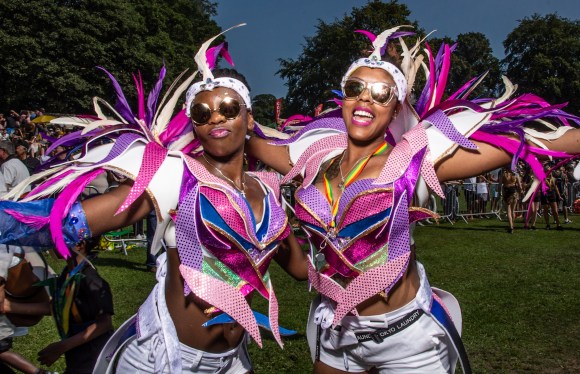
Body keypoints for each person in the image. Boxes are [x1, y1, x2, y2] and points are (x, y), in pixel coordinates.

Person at [246, 26, 580, 373]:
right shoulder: (312, 160)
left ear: (395, 110)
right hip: (338, 335)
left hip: (406, 340)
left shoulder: (414, 162)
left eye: (381, 93)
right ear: (342, 100)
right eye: (355, 88)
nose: (365, 98)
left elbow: (523, 140)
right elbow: (240, 140)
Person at [0, 29, 307, 374]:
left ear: (249, 118)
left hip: (233, 359)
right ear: (194, 125)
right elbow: (68, 220)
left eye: (229, 108)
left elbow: (298, 270)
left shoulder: (267, 189)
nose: (216, 118)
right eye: (202, 113)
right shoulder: (176, 176)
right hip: (167, 361)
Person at [37, 237, 114, 374]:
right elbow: (56, 307)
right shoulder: (68, 274)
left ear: (79, 245)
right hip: (77, 355)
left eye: (58, 238)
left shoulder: (90, 279)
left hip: (94, 356)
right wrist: (7, 306)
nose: (52, 243)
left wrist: (62, 346)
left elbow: (104, 323)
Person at [502, 168, 522, 233]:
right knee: (513, 210)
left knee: (508, 211)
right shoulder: (516, 174)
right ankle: (512, 225)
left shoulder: (503, 174)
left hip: (506, 191)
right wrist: (520, 191)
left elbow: (499, 185)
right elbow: (520, 186)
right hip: (514, 192)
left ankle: (510, 227)